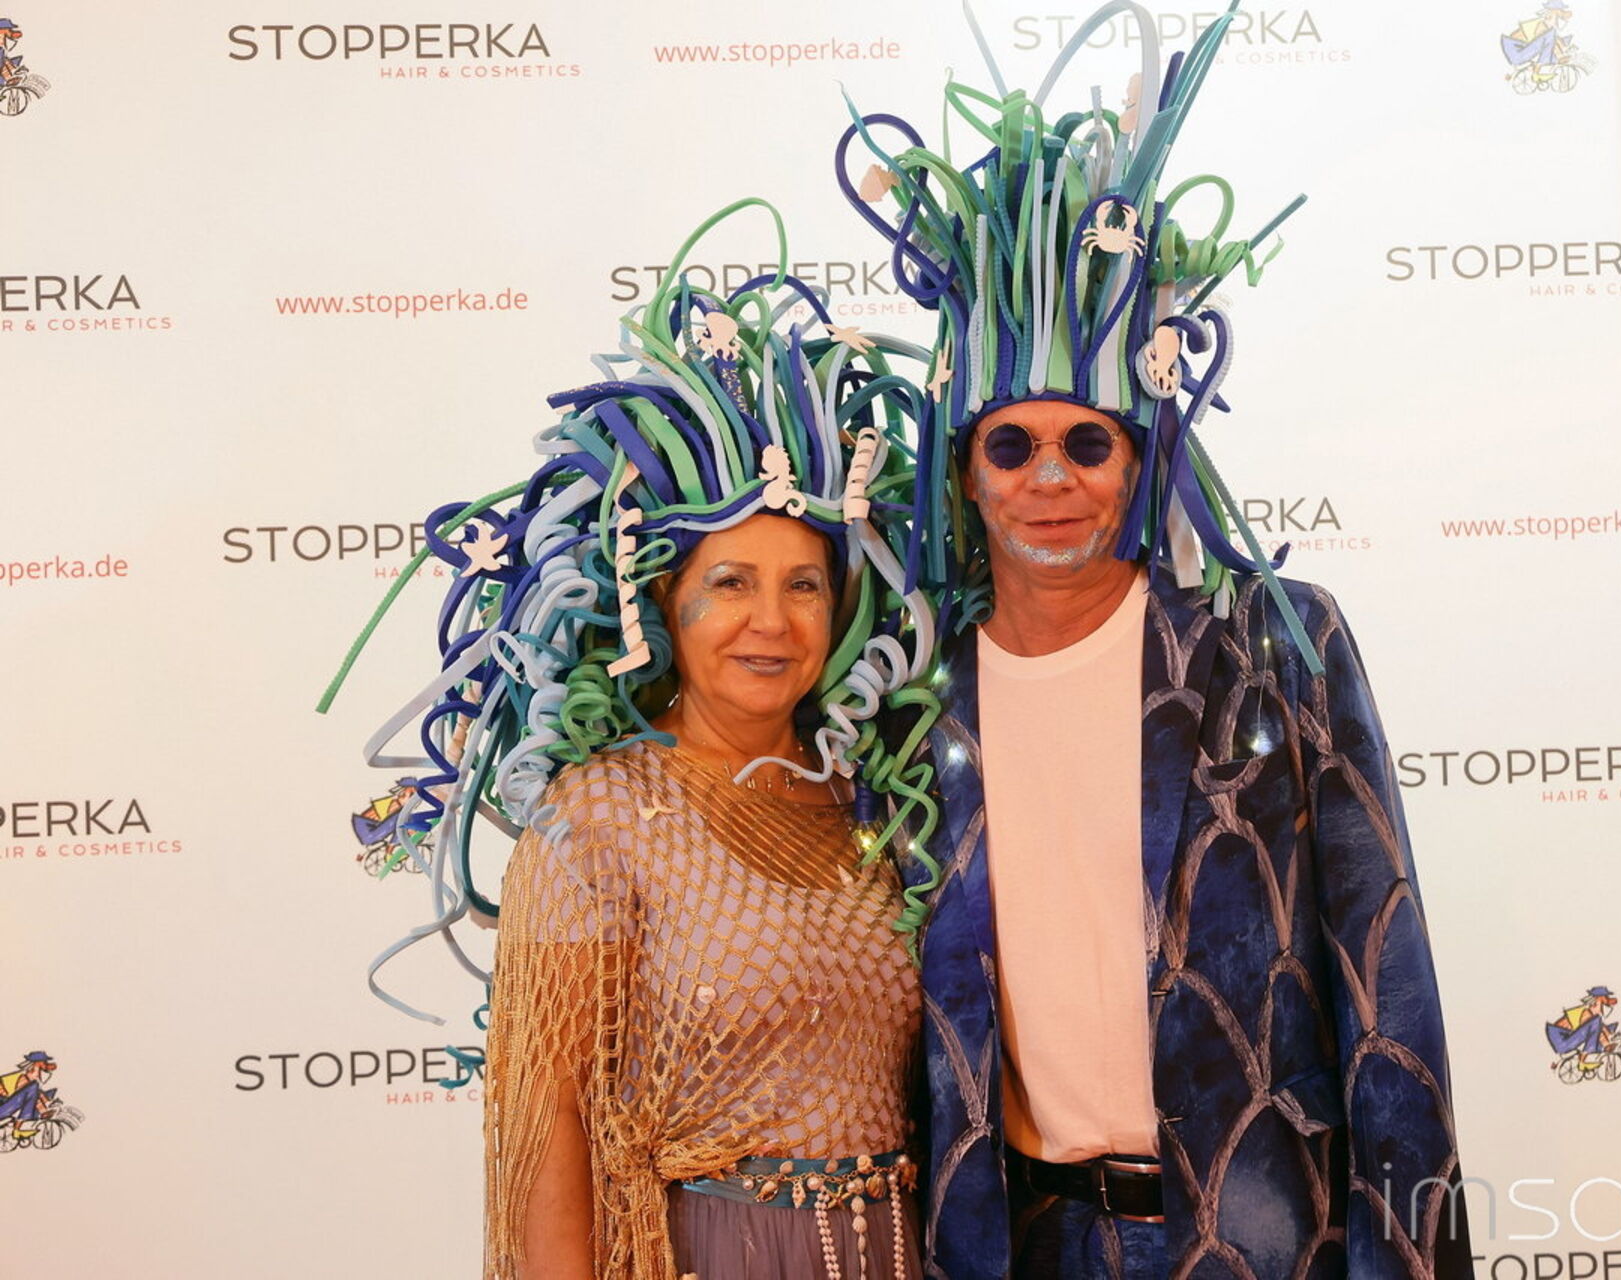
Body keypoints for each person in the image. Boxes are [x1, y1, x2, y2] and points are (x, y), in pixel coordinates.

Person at [839, 9, 1473, 1277]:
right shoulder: (913, 699)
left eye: (1089, 442)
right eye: (1011, 445)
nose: (1050, 479)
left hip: (1265, 1238)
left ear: (1142, 460)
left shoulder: (1274, 642)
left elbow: (1385, 983)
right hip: (1017, 1240)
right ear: (963, 472)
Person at [323, 201, 946, 1279]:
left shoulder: (869, 801)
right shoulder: (596, 817)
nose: (770, 621)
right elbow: (548, 1121)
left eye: (803, 586)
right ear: (663, 602)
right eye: (730, 583)